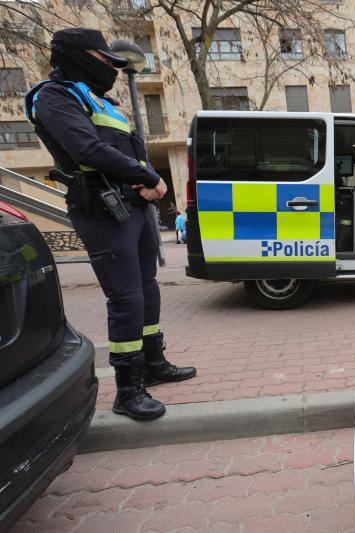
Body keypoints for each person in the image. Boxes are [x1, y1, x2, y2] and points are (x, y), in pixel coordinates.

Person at [24, 28, 196, 421]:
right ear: (79, 56)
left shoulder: (103, 101)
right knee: (125, 297)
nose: (113, 70)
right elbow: (86, 148)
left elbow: (130, 147)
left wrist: (148, 178)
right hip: (100, 206)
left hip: (131, 204)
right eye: (107, 61)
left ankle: (154, 362)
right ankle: (128, 388)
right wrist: (150, 178)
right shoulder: (55, 97)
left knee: (147, 288)